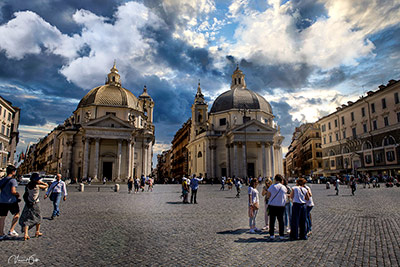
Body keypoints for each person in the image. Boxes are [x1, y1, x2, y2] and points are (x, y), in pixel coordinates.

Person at [19, 173, 48, 240]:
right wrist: (41, 182)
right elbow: (46, 185)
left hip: (28, 203)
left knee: (27, 218)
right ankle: (37, 231)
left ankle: (26, 234)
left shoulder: (28, 185)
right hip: (36, 204)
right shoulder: (37, 186)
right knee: (38, 217)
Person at [0, 165, 20, 240]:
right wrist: (17, 194)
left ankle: (1, 234)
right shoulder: (13, 180)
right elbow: (13, 191)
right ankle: (11, 230)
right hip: (11, 201)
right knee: (17, 214)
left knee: (2, 217)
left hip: (2, 201)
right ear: (13, 172)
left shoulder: (2, 180)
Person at [266, 174, 287, 240]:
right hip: (281, 206)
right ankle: (281, 235)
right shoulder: (284, 187)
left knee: (272, 220)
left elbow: (268, 196)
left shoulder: (272, 187)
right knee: (281, 221)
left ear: (275, 179)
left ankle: (272, 234)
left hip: (272, 206)